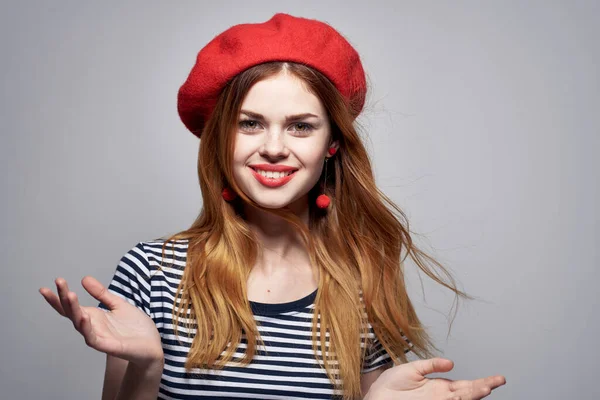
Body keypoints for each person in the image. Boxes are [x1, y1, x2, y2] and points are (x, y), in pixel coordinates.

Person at [39, 13, 506, 400]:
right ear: (221, 138)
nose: (275, 148)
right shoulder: (151, 274)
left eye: (301, 126)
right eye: (251, 124)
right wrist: (148, 368)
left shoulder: (365, 280)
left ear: (332, 144)